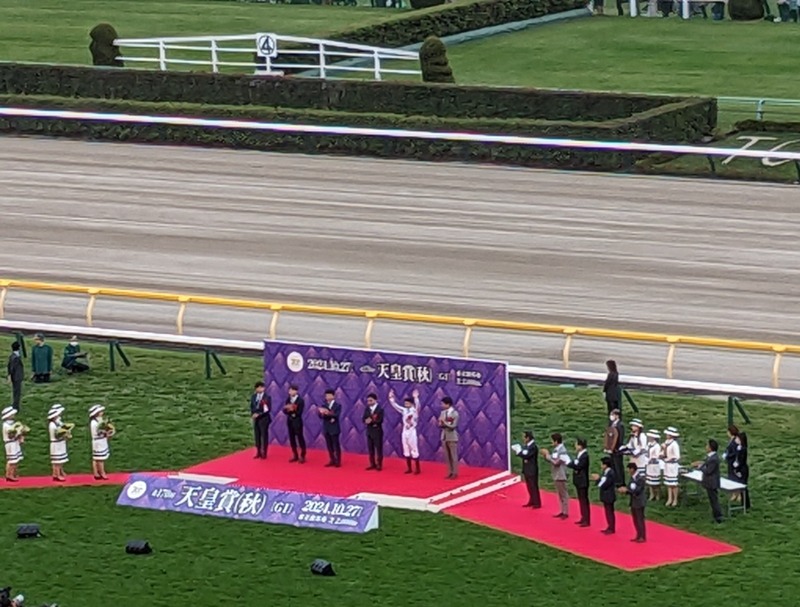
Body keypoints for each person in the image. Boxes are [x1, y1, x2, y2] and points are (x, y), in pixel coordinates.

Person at [388, 389, 421, 475]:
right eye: (405, 403)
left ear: (411, 404)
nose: (406, 405)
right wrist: (391, 398)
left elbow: (418, 406)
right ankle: (409, 468)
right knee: (406, 448)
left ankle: (417, 469)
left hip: (412, 432)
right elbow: (395, 406)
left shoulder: (414, 411)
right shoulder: (404, 410)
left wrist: (416, 398)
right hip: (405, 431)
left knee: (414, 449)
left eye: (407, 403)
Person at [694, 439, 723, 523]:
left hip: (712, 482)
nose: (706, 447)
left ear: (711, 448)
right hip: (710, 482)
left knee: (714, 500)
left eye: (707, 446)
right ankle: (716, 515)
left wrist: (700, 467)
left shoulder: (713, 458)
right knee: (712, 500)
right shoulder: (711, 457)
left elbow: (708, 471)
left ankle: (718, 517)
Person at [541, 433, 570, 519]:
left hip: (561, 474)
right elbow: (552, 460)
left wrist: (547, 455)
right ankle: (562, 511)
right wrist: (545, 456)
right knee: (560, 494)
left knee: (563, 494)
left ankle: (565, 512)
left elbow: (556, 463)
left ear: (556, 441)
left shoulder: (562, 450)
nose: (551, 442)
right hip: (557, 474)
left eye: (552, 440)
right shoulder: (556, 450)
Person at [618, 462, 647, 542]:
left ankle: (642, 536)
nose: (628, 471)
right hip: (633, 501)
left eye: (628, 469)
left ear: (632, 469)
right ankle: (638, 535)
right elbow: (630, 488)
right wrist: (624, 490)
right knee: (635, 519)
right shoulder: (632, 478)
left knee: (640, 519)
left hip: (639, 501)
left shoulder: (640, 479)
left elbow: (637, 490)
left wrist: (627, 490)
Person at [567, 437, 591, 527]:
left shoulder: (584, 456)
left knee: (584, 500)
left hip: (583, 481)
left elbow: (579, 466)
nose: (575, 446)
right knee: (581, 500)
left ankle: (586, 519)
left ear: (581, 446)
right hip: (578, 480)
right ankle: (583, 517)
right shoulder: (579, 455)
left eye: (577, 444)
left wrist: (570, 463)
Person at [723, 424, 749, 506]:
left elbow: (739, 457)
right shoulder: (738, 446)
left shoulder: (741, 448)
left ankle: (743, 501)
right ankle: (739, 498)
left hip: (740, 468)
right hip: (736, 466)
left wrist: (735, 464)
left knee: (741, 484)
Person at [591, 456, 616, 534]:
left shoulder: (610, 473)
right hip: (606, 495)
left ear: (606, 465)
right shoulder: (605, 472)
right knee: (607, 511)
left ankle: (611, 528)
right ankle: (609, 526)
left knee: (609, 512)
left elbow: (606, 484)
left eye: (602, 464)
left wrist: (598, 479)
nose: (601, 466)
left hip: (609, 495)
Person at [517, 431, 541, 508]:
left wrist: (519, 452)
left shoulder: (533, 447)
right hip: (527, 469)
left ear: (528, 438)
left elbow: (527, 455)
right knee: (529, 486)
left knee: (533, 486)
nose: (523, 439)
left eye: (524, 437)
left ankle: (537, 502)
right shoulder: (527, 446)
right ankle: (532, 500)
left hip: (532, 470)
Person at [89, 404, 114, 480]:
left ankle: (96, 473)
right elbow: (96, 433)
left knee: (96, 458)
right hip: (98, 442)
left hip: (101, 441)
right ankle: (102, 473)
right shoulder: (94, 422)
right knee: (99, 458)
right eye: (100, 411)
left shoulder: (99, 420)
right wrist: (106, 433)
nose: (102, 412)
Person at [318, 389, 342, 467]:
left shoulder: (338, 406)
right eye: (326, 395)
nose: (327, 397)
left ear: (333, 396)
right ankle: (332, 459)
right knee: (329, 445)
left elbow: (336, 415)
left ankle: (338, 461)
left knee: (336, 445)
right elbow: (320, 416)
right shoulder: (324, 405)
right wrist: (322, 413)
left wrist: (327, 413)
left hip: (334, 428)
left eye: (329, 395)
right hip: (327, 427)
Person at [283, 385, 306, 463]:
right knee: (292, 438)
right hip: (290, 421)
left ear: (296, 391)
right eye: (290, 390)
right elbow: (284, 410)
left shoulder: (300, 400)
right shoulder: (288, 399)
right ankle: (295, 455)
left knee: (300, 438)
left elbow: (300, 412)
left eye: (292, 390)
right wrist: (288, 410)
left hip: (297, 421)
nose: (290, 392)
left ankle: (302, 455)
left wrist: (293, 412)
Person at [2, 406, 25, 482]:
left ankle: (13, 473)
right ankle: (9, 475)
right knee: (11, 460)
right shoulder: (6, 425)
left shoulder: (12, 423)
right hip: (10, 444)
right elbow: (10, 435)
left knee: (16, 459)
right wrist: (18, 432)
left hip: (14, 443)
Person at [603, 408, 625, 487]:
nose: (611, 416)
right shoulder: (612, 424)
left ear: (617, 416)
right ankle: (614, 481)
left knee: (618, 466)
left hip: (617, 449)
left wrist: (616, 447)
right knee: (613, 465)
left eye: (613, 415)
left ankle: (620, 482)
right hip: (611, 449)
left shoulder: (620, 425)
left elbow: (620, 437)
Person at [438, 396, 459, 479]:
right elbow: (441, 424)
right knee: (447, 456)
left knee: (453, 456)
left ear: (448, 404)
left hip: (452, 437)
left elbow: (453, 426)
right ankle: (449, 472)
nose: (442, 405)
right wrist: (440, 423)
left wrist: (444, 422)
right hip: (444, 436)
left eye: (443, 403)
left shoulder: (455, 413)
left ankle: (455, 472)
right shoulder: (443, 413)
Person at [250, 381, 271, 460]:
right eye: (258, 388)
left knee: (264, 435)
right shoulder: (254, 397)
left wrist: (259, 414)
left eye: (261, 387)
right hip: (256, 419)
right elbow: (252, 406)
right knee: (257, 435)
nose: (259, 389)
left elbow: (268, 409)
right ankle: (258, 451)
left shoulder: (267, 397)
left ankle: (264, 452)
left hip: (264, 418)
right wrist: (253, 414)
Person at [48, 404, 70, 481]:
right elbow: (56, 435)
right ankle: (56, 475)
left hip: (60, 443)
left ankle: (59, 472)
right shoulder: (52, 425)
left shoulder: (58, 422)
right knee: (56, 461)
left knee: (60, 460)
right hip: (56, 444)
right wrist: (63, 434)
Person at [363, 393, 384, 471]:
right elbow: (363, 418)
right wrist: (366, 421)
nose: (369, 402)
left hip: (377, 431)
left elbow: (380, 420)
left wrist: (371, 421)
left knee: (378, 448)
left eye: (371, 400)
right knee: (370, 449)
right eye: (368, 401)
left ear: (375, 400)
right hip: (369, 431)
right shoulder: (367, 409)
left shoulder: (380, 409)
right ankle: (372, 463)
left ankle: (379, 464)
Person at [662, 427, 681, 507]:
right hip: (667, 465)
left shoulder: (674, 444)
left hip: (672, 466)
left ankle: (675, 499)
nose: (666, 435)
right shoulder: (666, 442)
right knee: (668, 483)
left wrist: (669, 459)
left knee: (673, 484)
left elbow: (677, 456)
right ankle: (669, 498)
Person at [645, 430, 663, 502]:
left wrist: (652, 458)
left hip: (655, 465)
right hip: (649, 465)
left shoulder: (657, 446)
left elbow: (657, 456)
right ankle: (651, 494)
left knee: (655, 481)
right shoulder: (649, 444)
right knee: (649, 481)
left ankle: (657, 495)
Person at [6, 342, 24, 410]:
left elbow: (9, 366)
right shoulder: (16, 358)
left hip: (15, 377)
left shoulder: (12, 356)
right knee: (17, 392)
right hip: (17, 377)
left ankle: (15, 405)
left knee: (15, 391)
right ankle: (15, 406)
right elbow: (12, 368)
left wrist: (9, 375)